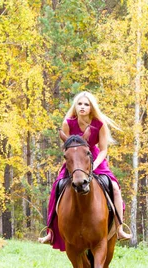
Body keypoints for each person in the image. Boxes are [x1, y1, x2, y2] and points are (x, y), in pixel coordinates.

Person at [38, 91, 132, 249]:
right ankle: (50, 231)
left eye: (86, 104)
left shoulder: (99, 124)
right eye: (80, 104)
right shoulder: (68, 123)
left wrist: (94, 165)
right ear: (75, 106)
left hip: (94, 159)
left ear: (91, 107)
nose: (82, 107)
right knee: (57, 187)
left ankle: (120, 228)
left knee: (115, 188)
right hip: (75, 162)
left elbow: (103, 149)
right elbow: (67, 147)